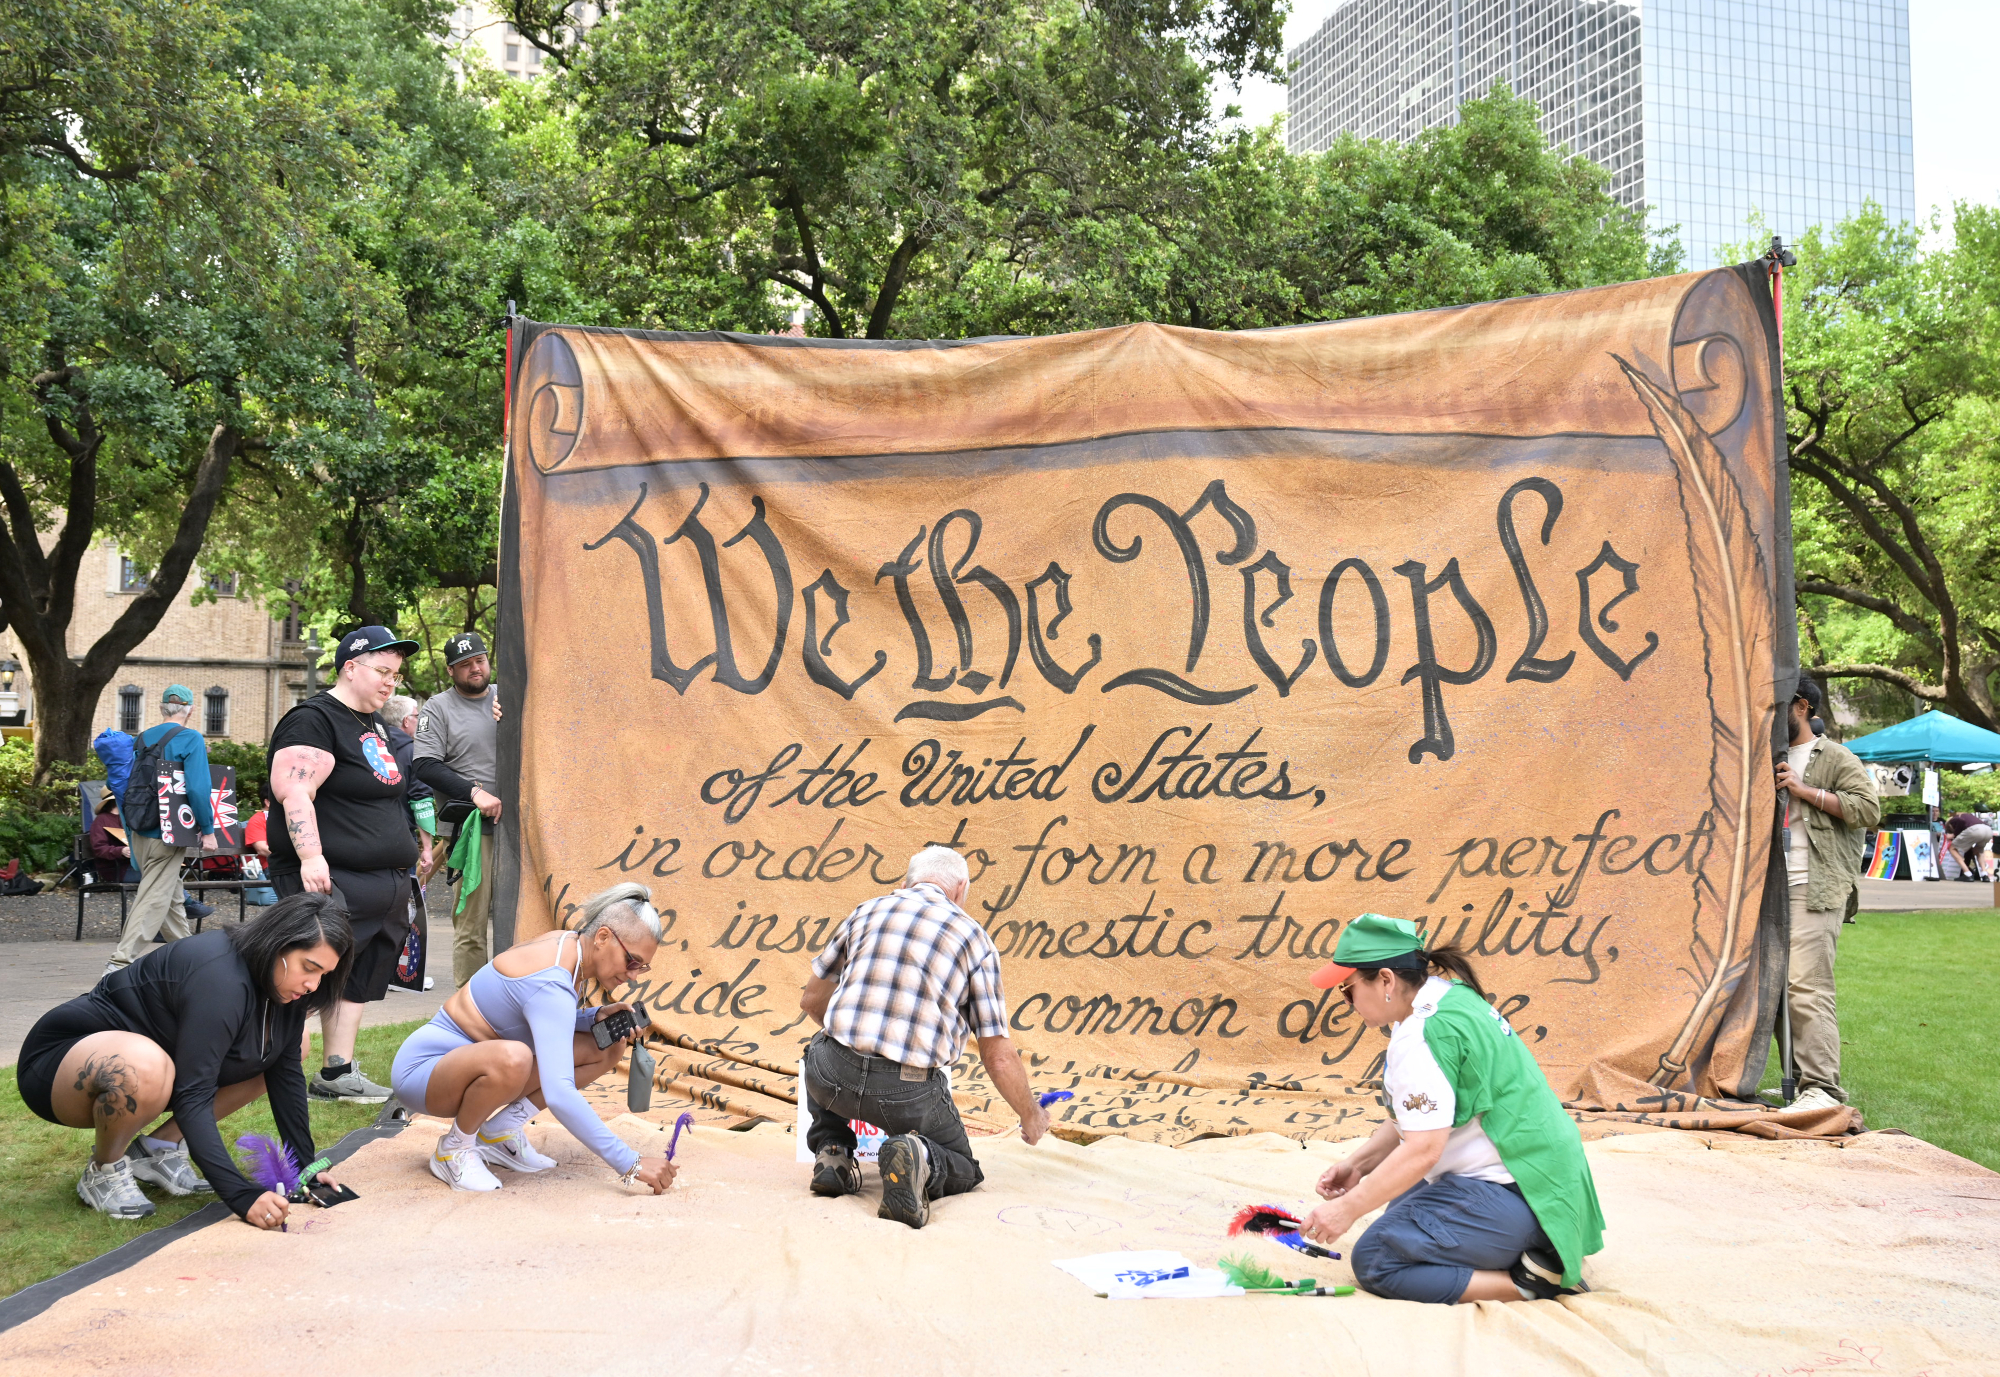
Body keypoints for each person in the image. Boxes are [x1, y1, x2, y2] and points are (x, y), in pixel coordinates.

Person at [1295, 914, 1604, 1303]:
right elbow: (1425, 1113)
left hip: (1523, 1196)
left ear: (1387, 980)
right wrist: (1359, 1166)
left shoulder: (1422, 1036)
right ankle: (1526, 1252)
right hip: (1549, 1182)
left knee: (1377, 1259)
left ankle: (1534, 1281)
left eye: (1348, 988)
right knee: (1395, 1199)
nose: (1347, 1001)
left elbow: (1424, 1149)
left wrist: (1346, 1209)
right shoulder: (1449, 997)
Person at [15, 893, 353, 1224]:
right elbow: (194, 1092)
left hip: (156, 1066)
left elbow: (286, 1072)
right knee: (144, 1066)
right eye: (308, 967)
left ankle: (156, 1150)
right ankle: (104, 1169)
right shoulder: (221, 979)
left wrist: (305, 1169)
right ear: (277, 945)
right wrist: (239, 1195)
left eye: (323, 974)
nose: (313, 984)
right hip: (58, 1066)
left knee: (295, 1045)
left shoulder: (277, 980)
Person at [797, 845, 1049, 1229]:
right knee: (964, 1166)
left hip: (831, 1077)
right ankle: (920, 1156)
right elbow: (997, 1055)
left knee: (818, 1049)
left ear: (905, 881)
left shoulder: (866, 911)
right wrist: (1031, 1115)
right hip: (906, 1095)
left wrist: (850, 1046)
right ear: (961, 889)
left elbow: (813, 1001)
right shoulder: (974, 939)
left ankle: (833, 1150)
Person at [388, 882, 675, 1195]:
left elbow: (531, 1017)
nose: (633, 975)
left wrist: (594, 1017)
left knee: (606, 1044)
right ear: (604, 937)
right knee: (515, 1058)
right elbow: (559, 1093)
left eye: (642, 967)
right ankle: (453, 1149)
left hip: (475, 1062)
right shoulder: (553, 980)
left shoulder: (568, 944)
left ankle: (499, 1132)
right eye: (632, 961)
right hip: (424, 1072)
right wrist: (631, 1162)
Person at [267, 624, 422, 1104]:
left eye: (396, 675)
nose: (390, 683)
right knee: (310, 971)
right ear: (350, 667)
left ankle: (336, 1073)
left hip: (384, 881)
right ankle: (270, 1063)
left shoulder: (370, 724)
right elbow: (295, 790)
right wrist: (311, 857)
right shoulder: (314, 720)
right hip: (332, 878)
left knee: (357, 977)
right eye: (382, 671)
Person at [1774, 676, 1880, 1113]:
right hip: (1770, 890)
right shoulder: (1769, 756)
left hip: (1815, 886)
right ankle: (1800, 1084)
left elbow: (1868, 810)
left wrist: (1805, 792)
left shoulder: (1833, 756)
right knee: (1774, 989)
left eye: (1777, 703)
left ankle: (1823, 1087)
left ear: (1800, 706)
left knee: (1807, 985)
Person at [105, 686, 218, 976]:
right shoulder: (189, 737)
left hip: (140, 828)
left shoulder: (141, 739)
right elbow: (197, 787)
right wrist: (207, 830)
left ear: (161, 708)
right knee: (154, 897)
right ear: (190, 709)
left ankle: (189, 959)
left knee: (170, 895)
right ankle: (120, 962)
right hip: (168, 832)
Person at [412, 631, 503, 988]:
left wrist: (515, 716)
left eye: (479, 660)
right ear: (451, 671)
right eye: (465, 665)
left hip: (519, 827)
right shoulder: (438, 708)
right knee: (471, 923)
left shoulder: (505, 697)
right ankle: (472, 1007)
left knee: (525, 916)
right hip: (471, 830)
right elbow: (425, 765)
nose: (475, 668)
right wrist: (474, 792)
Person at [382, 692, 438, 884]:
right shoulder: (414, 752)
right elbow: (421, 800)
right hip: (402, 837)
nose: (418, 719)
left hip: (370, 834)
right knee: (404, 898)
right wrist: (427, 849)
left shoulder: (371, 747)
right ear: (406, 721)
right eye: (416, 715)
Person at [86, 792, 135, 883]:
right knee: (158, 877)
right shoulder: (101, 820)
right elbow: (99, 848)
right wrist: (121, 851)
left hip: (135, 865)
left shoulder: (128, 818)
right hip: (116, 870)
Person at [1945, 812, 1992, 883]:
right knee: (1979, 850)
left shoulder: (1953, 820)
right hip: (1988, 830)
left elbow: (1960, 821)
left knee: (1952, 848)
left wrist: (1953, 834)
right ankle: (1984, 874)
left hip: (1976, 830)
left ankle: (1967, 873)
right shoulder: (1969, 817)